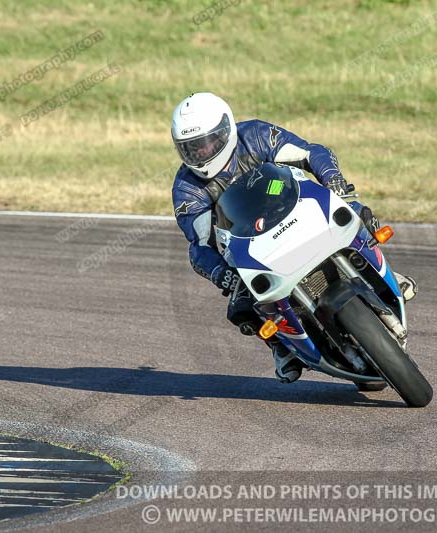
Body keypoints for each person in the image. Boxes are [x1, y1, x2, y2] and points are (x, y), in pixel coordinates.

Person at [170, 92, 417, 383]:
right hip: (251, 243)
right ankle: (279, 346)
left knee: (355, 211)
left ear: (226, 130)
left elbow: (312, 153)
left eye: (206, 142)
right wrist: (221, 274)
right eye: (191, 148)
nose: (200, 152)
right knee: (242, 305)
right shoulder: (187, 189)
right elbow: (199, 246)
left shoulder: (256, 135)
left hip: (293, 208)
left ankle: (379, 268)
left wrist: (332, 178)